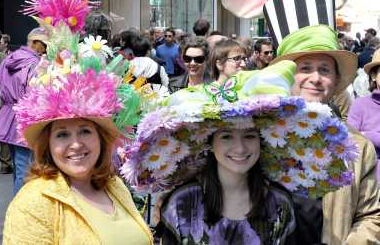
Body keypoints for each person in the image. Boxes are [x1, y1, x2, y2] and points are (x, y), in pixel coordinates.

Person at [218, 0, 380, 244]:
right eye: (304, 67)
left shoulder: (356, 148)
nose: (315, 78)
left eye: (325, 70)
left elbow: (371, 215)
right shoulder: (251, 134)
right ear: (285, 74)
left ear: (336, 79)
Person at [122, 61, 359, 245]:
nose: (240, 148)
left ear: (262, 142)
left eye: (249, 136)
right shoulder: (182, 203)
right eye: (226, 136)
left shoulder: (279, 204)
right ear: (209, 143)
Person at [3, 0, 153, 242]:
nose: (76, 143)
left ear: (101, 136)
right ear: (47, 143)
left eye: (85, 130)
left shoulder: (113, 186)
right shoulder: (35, 203)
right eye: (62, 134)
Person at [0, 27, 48, 194]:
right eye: (43, 44)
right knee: (25, 170)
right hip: (25, 117)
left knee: (19, 169)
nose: (46, 48)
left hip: (7, 115)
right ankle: (19, 214)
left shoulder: (8, 59)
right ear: (33, 42)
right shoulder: (35, 64)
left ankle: (15, 210)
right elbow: (34, 91)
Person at [348, 48, 380, 179]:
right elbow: (350, 138)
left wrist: (366, 135)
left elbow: (359, 136)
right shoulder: (360, 104)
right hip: (367, 176)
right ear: (373, 76)